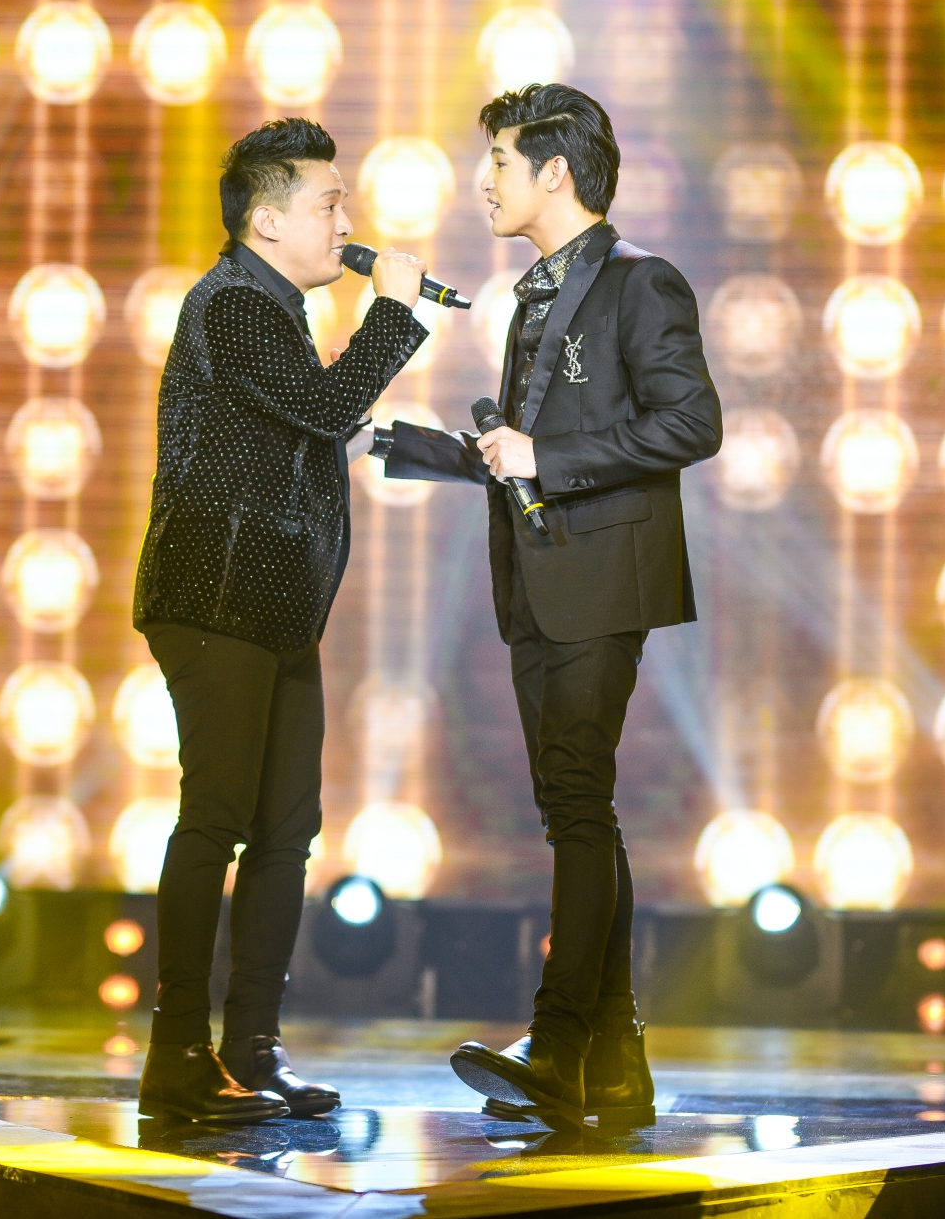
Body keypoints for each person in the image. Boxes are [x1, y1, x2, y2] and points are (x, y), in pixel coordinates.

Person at [370, 84, 721, 1129]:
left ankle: (560, 1040)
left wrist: (548, 457)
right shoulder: (533, 294)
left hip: (601, 578)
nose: (483, 182)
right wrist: (410, 446)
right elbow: (516, 455)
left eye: (499, 162)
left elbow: (691, 422)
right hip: (538, 578)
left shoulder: (638, 282)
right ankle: (612, 1066)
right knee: (578, 808)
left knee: (576, 803)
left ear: (554, 171)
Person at [131, 118, 429, 1124]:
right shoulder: (231, 304)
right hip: (215, 602)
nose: (346, 223)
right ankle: (177, 1056)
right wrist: (392, 312)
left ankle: (250, 1050)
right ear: (265, 221)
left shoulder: (273, 313)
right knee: (216, 818)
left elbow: (306, 420)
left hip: (277, 609)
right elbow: (323, 403)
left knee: (287, 830)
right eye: (328, 203)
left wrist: (389, 443)